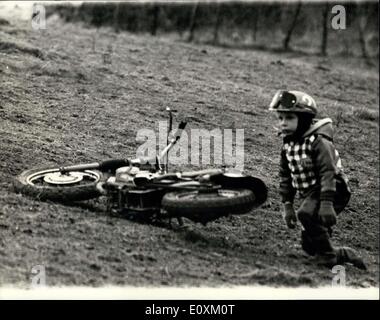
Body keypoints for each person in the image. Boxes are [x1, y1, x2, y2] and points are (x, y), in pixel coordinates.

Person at [269, 90, 366, 270]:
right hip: (312, 192)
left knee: (305, 214)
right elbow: (286, 175)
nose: (283, 123)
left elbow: (328, 172)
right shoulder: (288, 144)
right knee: (310, 246)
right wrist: (287, 205)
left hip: (332, 188)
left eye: (289, 118)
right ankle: (343, 254)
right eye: (280, 118)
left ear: (304, 119)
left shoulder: (318, 142)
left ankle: (328, 255)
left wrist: (327, 203)